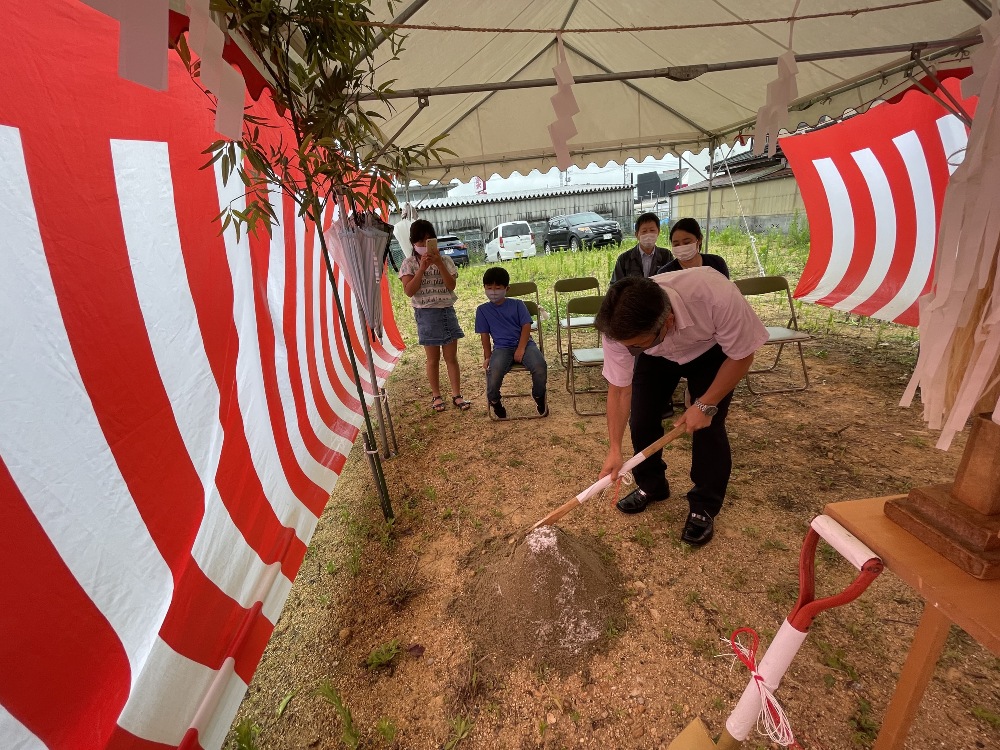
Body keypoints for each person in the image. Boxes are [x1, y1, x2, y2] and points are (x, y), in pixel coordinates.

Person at [594, 269, 768, 546]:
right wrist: (614, 447)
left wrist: (705, 403)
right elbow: (619, 390)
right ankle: (652, 485)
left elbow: (742, 355)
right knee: (641, 420)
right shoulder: (619, 328)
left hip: (710, 350)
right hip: (656, 353)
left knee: (709, 425)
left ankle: (704, 505)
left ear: (668, 322)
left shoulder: (715, 296)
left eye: (634, 346)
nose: (629, 351)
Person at [398, 219, 472, 412]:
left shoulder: (446, 260)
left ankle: (457, 395)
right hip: (426, 314)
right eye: (420, 243)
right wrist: (421, 269)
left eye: (429, 241)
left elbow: (451, 285)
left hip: (447, 310)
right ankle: (436, 396)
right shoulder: (408, 264)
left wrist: (439, 263)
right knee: (432, 359)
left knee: (451, 358)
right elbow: (409, 290)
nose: (424, 246)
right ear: (413, 243)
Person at [475, 267, 548, 419]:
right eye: (489, 288)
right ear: (484, 288)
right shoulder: (482, 310)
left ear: (506, 288)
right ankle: (495, 401)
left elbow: (526, 326)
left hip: (525, 344)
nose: (493, 291)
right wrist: (488, 356)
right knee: (493, 373)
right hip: (502, 348)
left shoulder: (517, 304)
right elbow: (484, 336)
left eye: (498, 288)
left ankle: (539, 396)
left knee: (540, 366)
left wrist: (521, 349)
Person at [610, 212, 674, 284]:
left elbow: (672, 282)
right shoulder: (624, 259)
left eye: (652, 230)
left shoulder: (666, 255)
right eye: (644, 231)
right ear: (637, 234)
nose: (648, 234)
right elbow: (615, 287)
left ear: (658, 232)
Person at [656, 217, 730, 278]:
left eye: (687, 242)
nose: (681, 247)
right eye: (676, 244)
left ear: (699, 240)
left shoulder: (717, 263)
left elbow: (727, 291)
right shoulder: (665, 273)